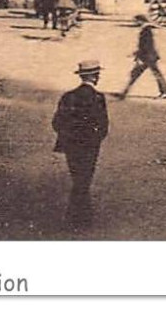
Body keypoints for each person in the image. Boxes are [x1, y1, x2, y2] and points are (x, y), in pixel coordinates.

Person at [52, 59, 110, 228]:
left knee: (78, 178)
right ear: (95, 76)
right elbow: (103, 125)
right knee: (83, 180)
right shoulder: (98, 98)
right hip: (90, 146)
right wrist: (94, 140)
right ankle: (80, 218)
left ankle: (78, 217)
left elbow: (57, 122)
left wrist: (69, 137)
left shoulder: (68, 96)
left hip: (71, 146)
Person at [118, 14, 166, 100]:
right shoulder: (147, 30)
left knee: (143, 74)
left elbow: (146, 46)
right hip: (149, 56)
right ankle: (124, 93)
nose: (135, 23)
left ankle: (164, 92)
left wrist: (140, 57)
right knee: (136, 74)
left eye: (136, 21)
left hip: (147, 57)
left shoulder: (146, 31)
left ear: (140, 21)